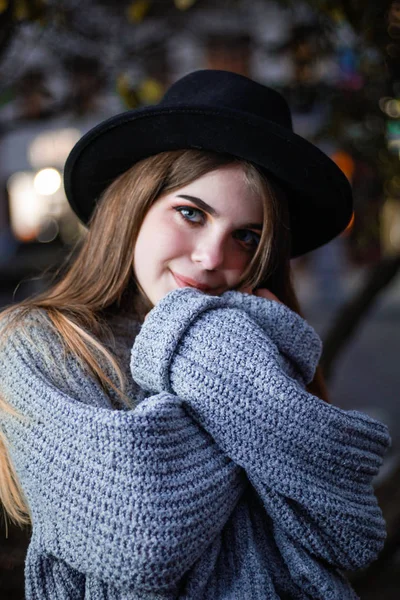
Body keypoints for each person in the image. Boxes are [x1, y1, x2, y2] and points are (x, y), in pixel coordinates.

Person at [0, 70, 390, 599]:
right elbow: (139, 538)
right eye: (191, 212)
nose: (211, 259)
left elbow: (350, 533)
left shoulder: (249, 339)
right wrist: (220, 358)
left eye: (247, 238)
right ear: (132, 207)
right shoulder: (39, 342)